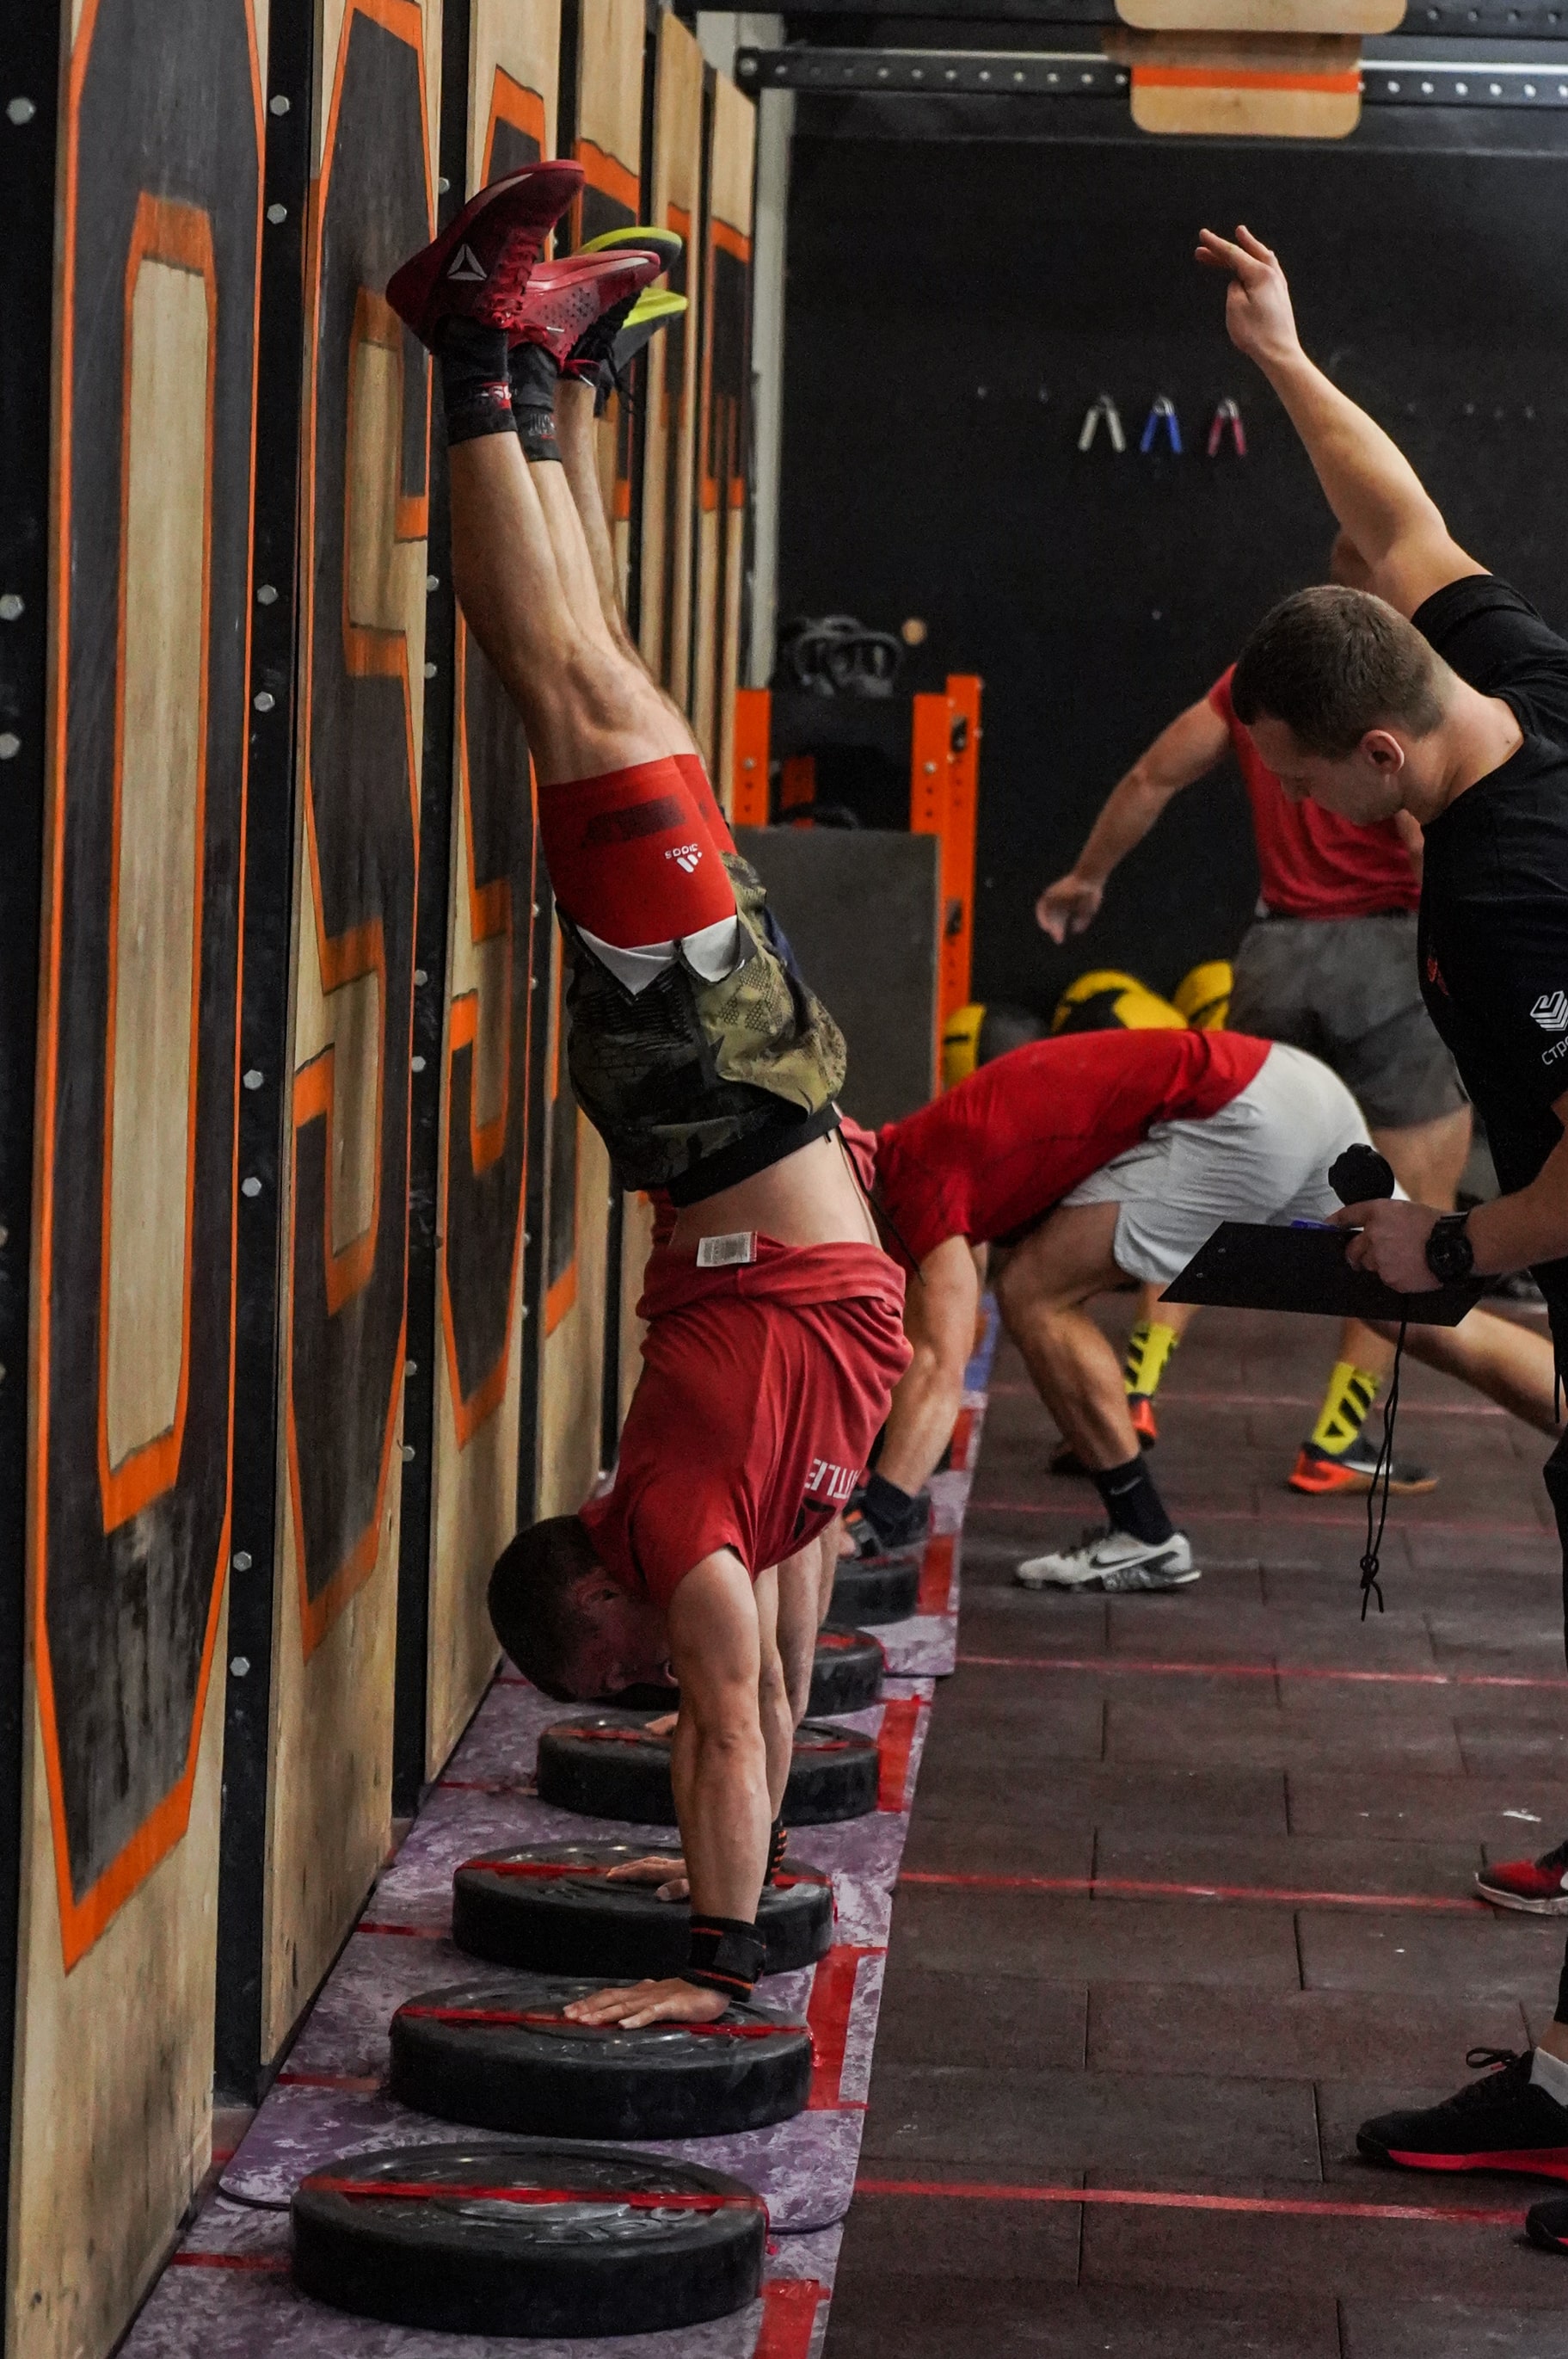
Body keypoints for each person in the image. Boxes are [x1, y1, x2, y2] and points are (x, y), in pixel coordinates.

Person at [386, 163, 910, 2029]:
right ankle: (545, 382)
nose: (642, 1687)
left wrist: (713, 1966)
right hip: (745, 1076)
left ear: (593, 1604)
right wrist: (723, 1893)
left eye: (608, 1673)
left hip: (706, 1071)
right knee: (617, 686)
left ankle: (469, 344)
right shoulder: (753, 1536)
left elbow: (723, 1723)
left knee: (569, 696)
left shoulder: (679, 1525)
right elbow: (762, 1694)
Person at [1196, 218, 1568, 2252]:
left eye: (1324, 797)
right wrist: (1277, 347)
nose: (1333, 827)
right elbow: (1396, 513)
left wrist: (1451, 1247)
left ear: (1380, 750)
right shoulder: (1513, 680)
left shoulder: (1507, 887)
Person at [1037, 555, 1473, 1499]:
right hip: (1389, 961)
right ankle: (1337, 1440)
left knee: (1215, 1187)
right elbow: (1419, 837)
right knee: (1412, 1210)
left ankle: (1135, 1390)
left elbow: (1152, 776)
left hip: (1275, 956)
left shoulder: (1258, 684)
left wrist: (1085, 877)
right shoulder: (1407, 684)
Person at [858, 1028, 1556, 1596]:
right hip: (1298, 1092)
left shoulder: (914, 1184)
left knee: (1034, 1296)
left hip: (1241, 1120)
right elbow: (920, 1329)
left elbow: (938, 1362)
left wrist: (872, 1517)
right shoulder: (918, 1149)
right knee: (1414, 1311)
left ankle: (1144, 1535)